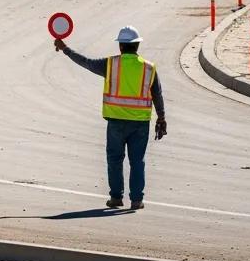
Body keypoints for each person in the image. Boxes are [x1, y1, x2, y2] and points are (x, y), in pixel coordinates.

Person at [55, 25, 167, 210]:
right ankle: (137, 200)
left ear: (120, 47)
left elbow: (85, 62)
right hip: (140, 124)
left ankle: (116, 198)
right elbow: (157, 94)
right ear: (137, 46)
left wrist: (65, 49)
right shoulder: (149, 68)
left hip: (116, 123)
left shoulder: (111, 65)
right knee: (137, 161)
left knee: (115, 159)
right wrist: (161, 118)